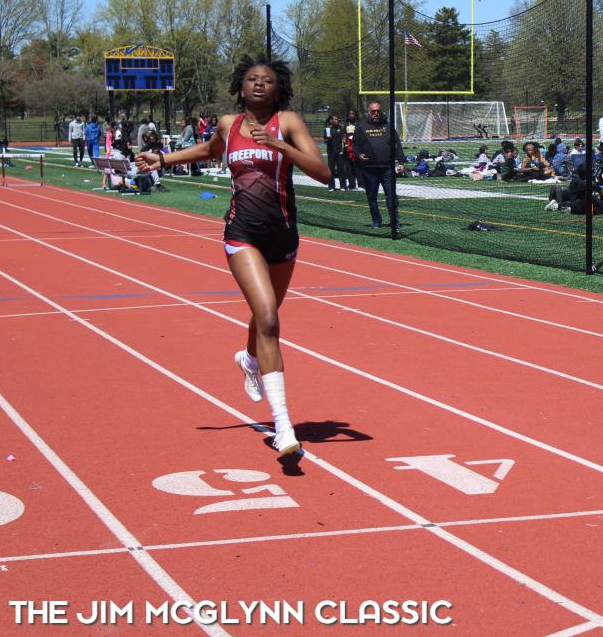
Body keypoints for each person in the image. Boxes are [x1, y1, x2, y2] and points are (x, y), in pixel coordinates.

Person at [135, 54, 330, 457]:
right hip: (242, 233)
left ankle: (250, 359)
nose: (259, 84)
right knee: (269, 318)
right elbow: (209, 149)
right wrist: (163, 159)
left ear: (278, 89)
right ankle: (283, 427)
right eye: (252, 79)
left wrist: (279, 145)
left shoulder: (288, 123)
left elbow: (323, 173)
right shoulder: (229, 124)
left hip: (283, 234)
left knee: (265, 312)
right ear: (241, 86)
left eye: (268, 80)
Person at [353, 101, 404, 229]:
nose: (376, 113)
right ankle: (376, 221)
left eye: (378, 111)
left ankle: (394, 221)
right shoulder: (361, 126)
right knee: (372, 197)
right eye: (373, 111)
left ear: (381, 112)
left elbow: (397, 144)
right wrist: (358, 154)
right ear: (369, 112)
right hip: (369, 169)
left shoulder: (388, 126)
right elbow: (355, 144)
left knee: (391, 196)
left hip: (387, 168)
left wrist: (401, 161)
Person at [324, 115, 346, 190]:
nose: (337, 120)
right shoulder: (327, 129)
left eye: (337, 119)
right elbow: (325, 140)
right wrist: (328, 139)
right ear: (331, 121)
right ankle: (331, 186)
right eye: (335, 119)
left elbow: (343, 137)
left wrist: (343, 135)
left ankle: (343, 186)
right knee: (331, 169)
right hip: (331, 151)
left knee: (341, 169)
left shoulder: (340, 128)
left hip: (339, 151)